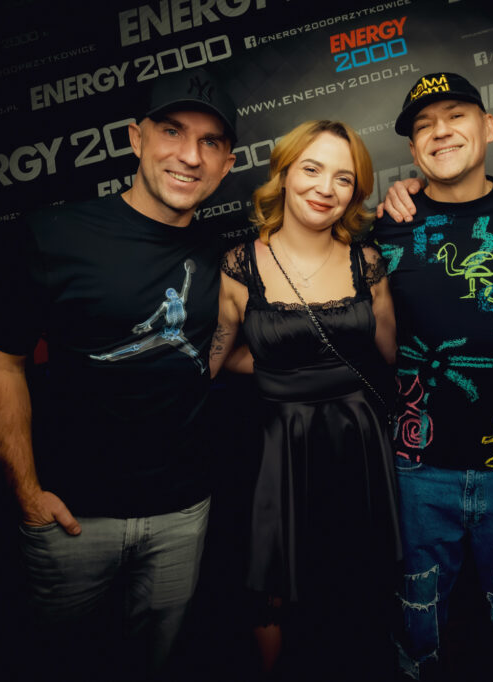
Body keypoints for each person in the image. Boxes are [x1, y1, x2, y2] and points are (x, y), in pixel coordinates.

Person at [0, 67, 237, 679]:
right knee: (61, 662)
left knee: (157, 662)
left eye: (210, 142)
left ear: (227, 164)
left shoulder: (226, 253)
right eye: (171, 131)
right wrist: (27, 495)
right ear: (135, 138)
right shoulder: (53, 234)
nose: (189, 156)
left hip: (182, 513)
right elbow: (0, 362)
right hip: (71, 516)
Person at [375, 72, 493, 680]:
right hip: (416, 473)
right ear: (412, 150)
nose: (440, 132)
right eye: (423, 126)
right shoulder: (385, 226)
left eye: (455, 116)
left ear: (488, 126)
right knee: (415, 645)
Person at [208, 120, 402, 678]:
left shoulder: (368, 262)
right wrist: (283, 367)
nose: (325, 188)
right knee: (273, 580)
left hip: (358, 440)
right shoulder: (239, 265)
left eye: (344, 178)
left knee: (358, 578)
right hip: (277, 443)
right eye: (312, 169)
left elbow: (391, 353)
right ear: (285, 174)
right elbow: (219, 357)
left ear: (356, 192)